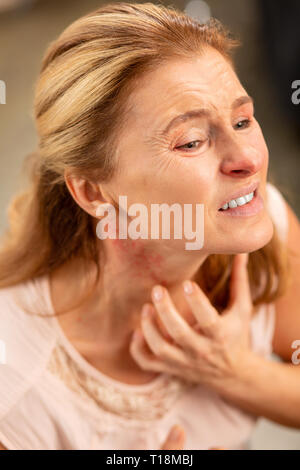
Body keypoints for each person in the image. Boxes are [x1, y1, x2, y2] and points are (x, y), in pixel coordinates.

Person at [0, 2, 299, 450]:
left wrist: (237, 372)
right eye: (192, 141)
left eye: (242, 120)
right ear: (94, 192)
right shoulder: (17, 388)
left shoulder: (263, 222)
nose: (250, 159)